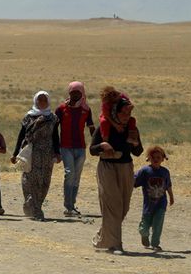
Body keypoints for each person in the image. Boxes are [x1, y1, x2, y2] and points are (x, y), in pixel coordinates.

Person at [89, 98, 143, 254]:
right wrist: (102, 145)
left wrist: (135, 144)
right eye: (123, 112)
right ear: (115, 112)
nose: (127, 115)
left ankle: (103, 236)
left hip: (126, 168)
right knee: (113, 205)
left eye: (129, 112)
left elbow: (138, 152)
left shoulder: (132, 128)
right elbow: (92, 150)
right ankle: (115, 245)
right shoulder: (105, 127)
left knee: (123, 207)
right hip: (107, 168)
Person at [11, 91, 60, 221]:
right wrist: (15, 153)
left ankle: (34, 205)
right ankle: (36, 209)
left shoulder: (53, 118)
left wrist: (57, 153)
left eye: (44, 100)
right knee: (30, 180)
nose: (42, 102)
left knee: (44, 181)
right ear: (35, 101)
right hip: (31, 152)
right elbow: (21, 135)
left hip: (47, 153)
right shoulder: (28, 117)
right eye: (40, 100)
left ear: (48, 102)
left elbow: (55, 136)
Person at [55, 81, 95, 216]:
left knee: (76, 177)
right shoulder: (61, 109)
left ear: (82, 93)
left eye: (78, 92)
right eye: (72, 92)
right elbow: (54, 129)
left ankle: (72, 205)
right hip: (65, 147)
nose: (75, 95)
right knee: (69, 173)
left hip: (81, 147)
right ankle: (68, 206)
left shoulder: (86, 110)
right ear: (69, 93)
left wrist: (96, 145)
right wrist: (55, 148)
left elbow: (91, 128)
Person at [134, 146, 174, 251]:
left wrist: (171, 196)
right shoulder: (145, 171)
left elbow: (168, 185)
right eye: (153, 157)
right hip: (148, 205)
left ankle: (155, 243)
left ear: (163, 158)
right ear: (149, 158)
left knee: (158, 224)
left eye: (158, 157)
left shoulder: (165, 172)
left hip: (161, 203)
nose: (156, 159)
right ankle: (144, 235)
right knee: (144, 228)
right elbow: (134, 181)